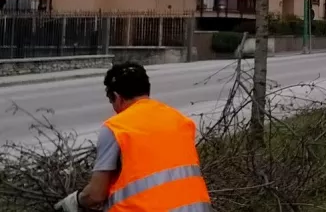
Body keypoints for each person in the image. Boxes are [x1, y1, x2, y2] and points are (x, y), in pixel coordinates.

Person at [55, 61, 211, 212]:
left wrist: (76, 200)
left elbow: (96, 194)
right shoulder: (181, 121)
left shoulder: (116, 127)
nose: (114, 108)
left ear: (117, 96)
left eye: (111, 101)